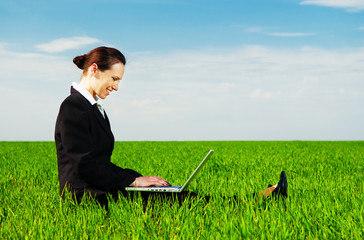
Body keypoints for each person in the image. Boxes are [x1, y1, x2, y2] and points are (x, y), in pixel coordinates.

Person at [55, 46, 288, 211]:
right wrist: (135, 182)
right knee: (175, 201)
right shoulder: (74, 106)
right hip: (85, 197)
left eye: (119, 80)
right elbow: (85, 165)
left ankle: (255, 200)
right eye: (114, 78)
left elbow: (99, 163)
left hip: (99, 188)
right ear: (94, 69)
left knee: (171, 195)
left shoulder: (93, 108)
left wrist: (138, 178)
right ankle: (256, 201)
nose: (116, 86)